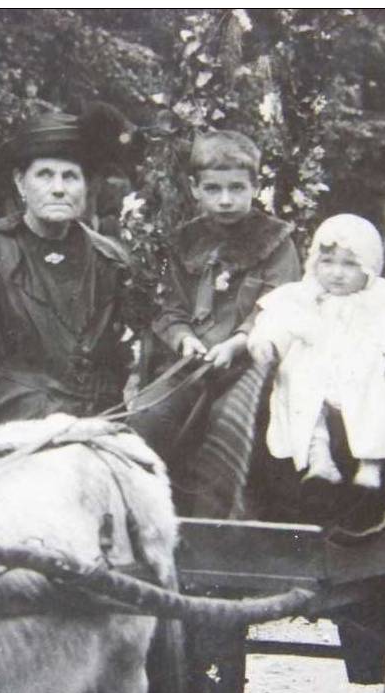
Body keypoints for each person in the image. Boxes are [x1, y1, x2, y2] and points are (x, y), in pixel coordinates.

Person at [0, 106, 136, 438]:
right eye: (45, 175)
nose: (58, 188)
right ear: (20, 182)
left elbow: (118, 358)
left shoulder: (111, 260)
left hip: (98, 433)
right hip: (12, 434)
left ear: (87, 185)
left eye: (71, 176)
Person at [129, 130, 300, 468]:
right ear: (195, 188)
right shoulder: (183, 241)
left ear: (254, 186)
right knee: (146, 418)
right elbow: (169, 306)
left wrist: (237, 343)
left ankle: (227, 510)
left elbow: (279, 307)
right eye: (213, 189)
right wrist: (184, 338)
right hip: (191, 364)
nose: (225, 200)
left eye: (236, 188)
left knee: (230, 423)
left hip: (251, 365)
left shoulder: (277, 242)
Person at [248, 214, 385, 490]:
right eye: (327, 262)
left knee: (379, 388)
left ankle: (371, 464)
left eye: (350, 264)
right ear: (314, 263)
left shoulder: (382, 296)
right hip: (314, 366)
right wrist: (266, 343)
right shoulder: (303, 295)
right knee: (297, 385)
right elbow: (278, 321)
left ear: (370, 267)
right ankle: (318, 457)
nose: (336, 273)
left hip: (364, 367)